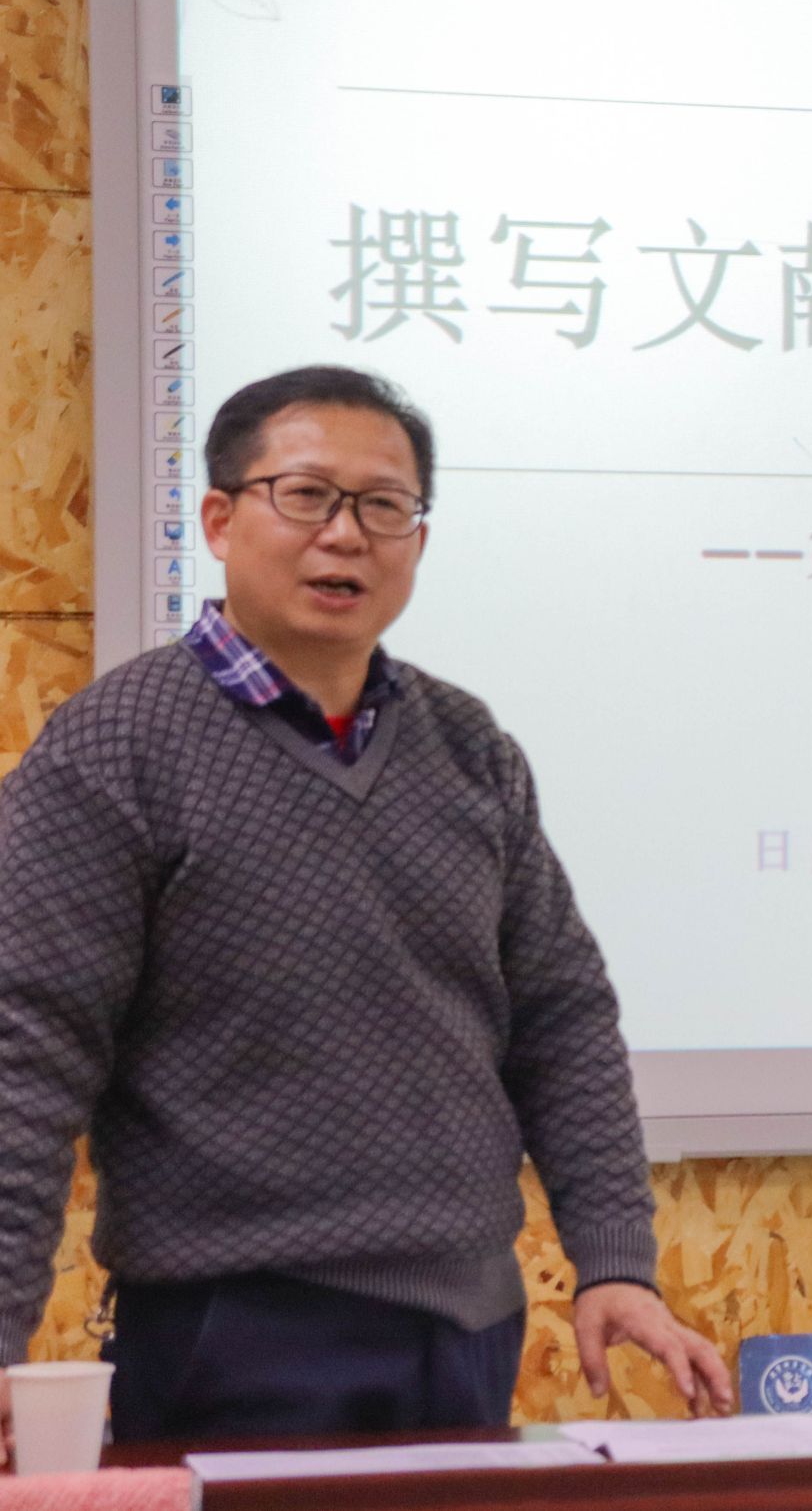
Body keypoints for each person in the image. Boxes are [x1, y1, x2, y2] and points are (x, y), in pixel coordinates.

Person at [0, 366, 731, 1459]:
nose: (345, 535)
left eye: (384, 506)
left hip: (467, 1325)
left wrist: (615, 1261)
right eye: (306, 495)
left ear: (418, 542)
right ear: (219, 519)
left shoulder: (468, 746)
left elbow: (562, 1017)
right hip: (230, 1329)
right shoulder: (119, 746)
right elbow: (25, 1050)